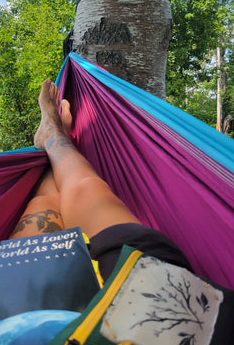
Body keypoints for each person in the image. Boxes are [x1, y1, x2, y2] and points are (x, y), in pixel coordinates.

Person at [10, 79, 192, 281]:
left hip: (24, 296)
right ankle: (56, 137)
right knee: (82, 190)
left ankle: (55, 136)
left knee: (46, 202)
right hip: (148, 285)